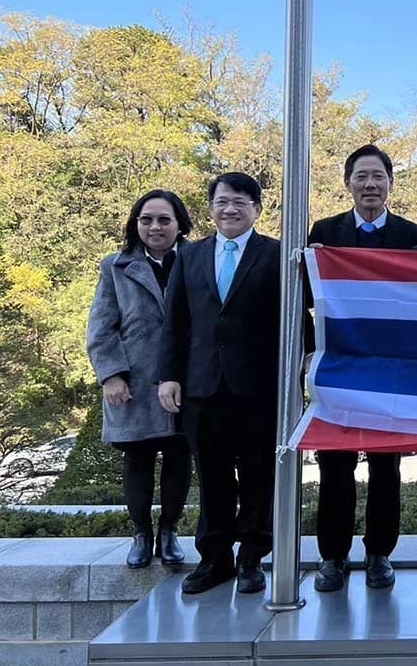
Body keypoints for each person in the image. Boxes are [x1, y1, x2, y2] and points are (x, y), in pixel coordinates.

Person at [307, 144, 417, 593]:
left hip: (390, 369)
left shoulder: (413, 235)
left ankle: (379, 553)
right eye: (361, 176)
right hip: (340, 365)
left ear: (391, 183)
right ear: (348, 183)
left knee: (385, 465)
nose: (370, 184)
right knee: (333, 465)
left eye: (378, 176)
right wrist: (308, 353)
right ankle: (332, 557)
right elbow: (307, 302)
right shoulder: (324, 233)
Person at [158, 172, 281, 596]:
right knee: (211, 477)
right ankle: (215, 559)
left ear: (257, 209)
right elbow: (174, 320)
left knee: (256, 475)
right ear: (210, 208)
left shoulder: (277, 255)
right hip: (201, 384)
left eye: (241, 202)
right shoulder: (189, 256)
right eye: (223, 201)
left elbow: (297, 320)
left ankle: (251, 558)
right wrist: (168, 375)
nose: (230, 209)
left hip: (259, 387)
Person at [87, 189, 194, 569]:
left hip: (184, 379)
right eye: (147, 219)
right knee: (138, 458)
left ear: (179, 224)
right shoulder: (115, 267)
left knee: (180, 457)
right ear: (136, 224)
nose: (155, 226)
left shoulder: (196, 261)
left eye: (164, 219)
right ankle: (140, 534)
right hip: (133, 382)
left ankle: (169, 532)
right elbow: (101, 328)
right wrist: (111, 376)